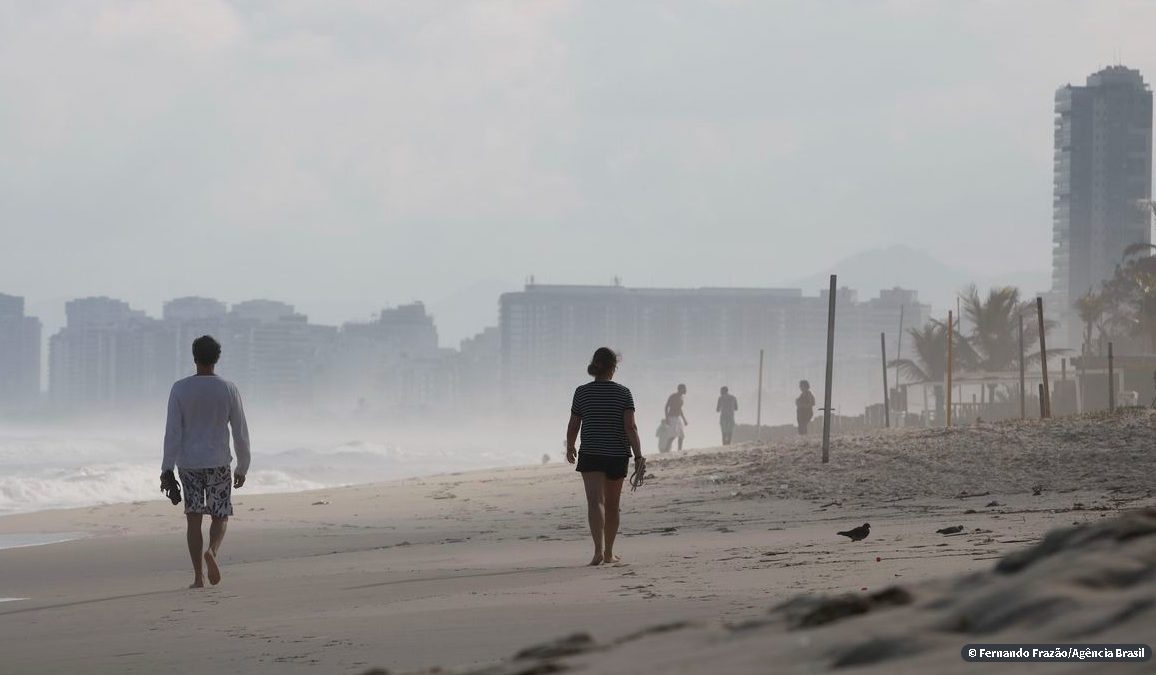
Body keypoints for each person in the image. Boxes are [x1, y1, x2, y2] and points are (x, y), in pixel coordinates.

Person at [161, 335, 250, 589]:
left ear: (194, 357)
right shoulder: (228, 389)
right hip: (218, 461)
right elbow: (240, 431)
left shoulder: (180, 389)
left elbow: (173, 431)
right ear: (217, 358)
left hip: (188, 463)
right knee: (220, 515)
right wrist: (243, 465)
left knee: (193, 518)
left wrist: (166, 467)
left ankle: (198, 577)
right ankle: (212, 551)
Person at [566, 347, 644, 566]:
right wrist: (638, 456)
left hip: (591, 452)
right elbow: (631, 427)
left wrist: (570, 446)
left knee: (595, 503)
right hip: (617, 454)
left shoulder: (582, 392)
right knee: (612, 505)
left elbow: (574, 424)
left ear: (595, 365)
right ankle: (609, 553)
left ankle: (597, 551)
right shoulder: (623, 393)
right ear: (613, 367)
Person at [664, 383, 689, 451]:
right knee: (672, 435)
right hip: (672, 417)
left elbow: (680, 409)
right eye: (684, 388)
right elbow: (666, 407)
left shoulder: (681, 397)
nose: (686, 390)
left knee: (681, 435)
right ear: (680, 389)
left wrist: (684, 419)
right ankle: (666, 450)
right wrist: (667, 418)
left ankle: (679, 450)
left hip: (678, 418)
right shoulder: (673, 396)